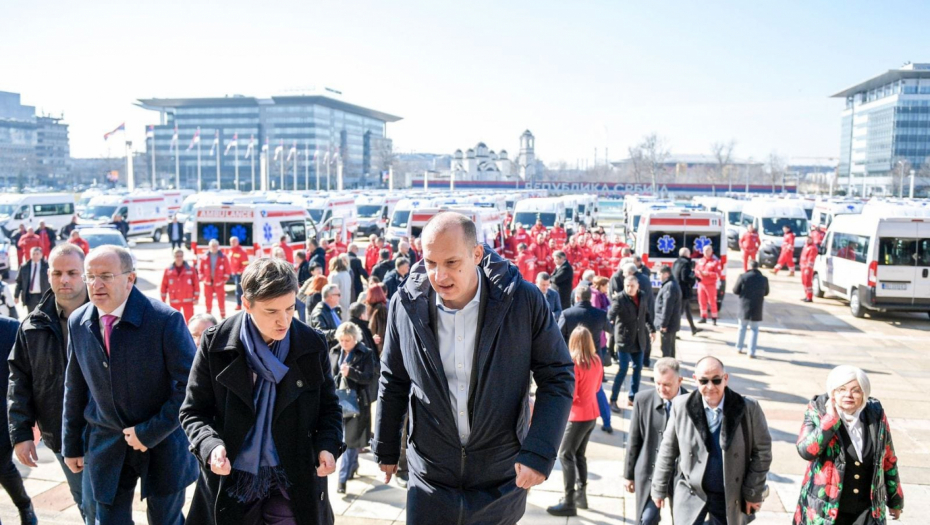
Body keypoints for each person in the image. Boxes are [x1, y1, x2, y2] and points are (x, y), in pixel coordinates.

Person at [373, 212, 574, 524]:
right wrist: (385, 446)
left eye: (452, 263)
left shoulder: (523, 301)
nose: (439, 276)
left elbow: (558, 375)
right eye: (430, 263)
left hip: (500, 477)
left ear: (477, 254)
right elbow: (393, 378)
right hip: (430, 478)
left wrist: (539, 452)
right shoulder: (405, 304)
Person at [180, 257, 342, 525]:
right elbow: (193, 411)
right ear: (246, 304)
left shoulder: (312, 342)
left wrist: (328, 446)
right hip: (231, 479)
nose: (284, 321)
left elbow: (329, 408)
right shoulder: (215, 343)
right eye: (271, 312)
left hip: (294, 478)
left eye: (290, 308)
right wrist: (211, 446)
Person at [62, 246, 198, 524]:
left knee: (165, 520)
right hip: (107, 442)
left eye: (106, 276)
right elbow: (74, 386)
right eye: (90, 277)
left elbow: (192, 386)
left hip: (162, 443)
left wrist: (149, 432)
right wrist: (71, 444)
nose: (96, 284)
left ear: (130, 279)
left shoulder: (165, 320)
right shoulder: (79, 321)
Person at [9, 244, 88, 523]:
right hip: (61, 434)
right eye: (57, 273)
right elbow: (19, 380)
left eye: (72, 272)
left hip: (107, 433)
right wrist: (20, 434)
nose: (64, 279)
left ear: (85, 274)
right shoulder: (32, 325)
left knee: (107, 503)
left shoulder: (107, 316)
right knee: (85, 503)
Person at [651, 356, 772, 525]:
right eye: (703, 381)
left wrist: (753, 491)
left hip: (729, 494)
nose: (710, 387)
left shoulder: (747, 408)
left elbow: (762, 452)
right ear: (695, 380)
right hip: (691, 492)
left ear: (725, 379)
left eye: (716, 380)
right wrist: (658, 487)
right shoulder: (681, 406)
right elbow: (668, 449)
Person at [794, 366, 904, 525]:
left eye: (856, 390)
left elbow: (888, 459)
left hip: (867, 510)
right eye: (841, 389)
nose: (848, 395)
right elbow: (806, 451)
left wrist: (895, 500)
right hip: (827, 511)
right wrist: (829, 421)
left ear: (864, 393)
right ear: (832, 392)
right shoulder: (817, 410)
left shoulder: (875, 413)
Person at [546, 326, 603, 517]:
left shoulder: (574, 363)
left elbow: (572, 393)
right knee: (579, 455)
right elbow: (596, 387)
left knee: (565, 455)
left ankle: (569, 501)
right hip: (592, 414)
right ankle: (581, 495)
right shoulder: (596, 360)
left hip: (577, 416)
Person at [625, 358, 687, 525]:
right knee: (646, 519)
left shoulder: (692, 403)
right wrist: (628, 475)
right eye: (657, 383)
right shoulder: (642, 400)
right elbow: (634, 439)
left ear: (679, 381)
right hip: (649, 473)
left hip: (680, 477)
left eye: (666, 384)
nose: (661, 389)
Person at [331, 322, 375, 495]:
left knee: (348, 442)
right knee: (349, 440)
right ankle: (353, 466)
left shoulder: (365, 353)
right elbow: (328, 374)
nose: (344, 343)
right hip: (336, 400)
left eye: (347, 340)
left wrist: (352, 373)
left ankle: (342, 479)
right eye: (341, 340)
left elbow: (369, 377)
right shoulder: (335, 351)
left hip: (355, 402)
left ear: (355, 339)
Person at [608, 275, 654, 412]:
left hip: (639, 340)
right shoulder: (620, 299)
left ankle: (632, 397)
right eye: (627, 285)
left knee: (637, 369)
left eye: (632, 285)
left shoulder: (643, 296)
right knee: (622, 370)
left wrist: (652, 330)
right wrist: (609, 326)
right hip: (624, 340)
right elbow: (611, 315)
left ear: (637, 286)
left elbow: (646, 314)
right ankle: (613, 399)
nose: (629, 288)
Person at [732, 259, 769, 358]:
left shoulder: (743, 277)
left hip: (744, 306)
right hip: (757, 306)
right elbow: (766, 292)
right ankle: (751, 352)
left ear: (749, 266)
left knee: (742, 328)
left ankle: (739, 347)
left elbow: (735, 290)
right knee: (754, 329)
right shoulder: (763, 279)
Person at [160, 248, 200, 322]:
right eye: (177, 256)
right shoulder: (168, 270)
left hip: (188, 300)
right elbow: (163, 286)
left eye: (180, 256)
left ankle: (189, 333)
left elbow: (196, 284)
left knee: (190, 321)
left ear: (183, 256)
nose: (179, 258)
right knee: (175, 321)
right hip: (174, 300)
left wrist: (196, 298)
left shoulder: (190, 269)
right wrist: (163, 300)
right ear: (174, 257)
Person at [653, 265, 682, 359]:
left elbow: (667, 307)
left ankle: (668, 368)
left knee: (667, 348)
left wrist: (663, 324)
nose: (659, 276)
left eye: (660, 274)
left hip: (668, 324)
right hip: (671, 323)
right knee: (670, 347)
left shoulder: (669, 286)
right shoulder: (670, 284)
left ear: (666, 274)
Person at [672, 247, 701, 336]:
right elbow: (685, 277)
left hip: (677, 289)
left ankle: (693, 328)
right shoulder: (686, 263)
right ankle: (673, 332)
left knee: (688, 310)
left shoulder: (676, 262)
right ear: (687, 254)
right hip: (683, 291)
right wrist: (693, 279)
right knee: (679, 312)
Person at [200, 239, 231, 319]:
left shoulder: (223, 257)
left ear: (218, 246)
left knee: (221, 299)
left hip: (219, 283)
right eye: (212, 246)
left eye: (215, 246)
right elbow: (200, 270)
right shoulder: (204, 257)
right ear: (209, 247)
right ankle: (208, 316)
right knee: (208, 299)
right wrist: (203, 278)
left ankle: (223, 316)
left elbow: (227, 270)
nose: (214, 247)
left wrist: (223, 280)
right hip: (208, 282)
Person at [15, 247, 50, 313]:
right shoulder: (24, 267)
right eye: (33, 254)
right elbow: (19, 282)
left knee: (43, 315)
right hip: (30, 297)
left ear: (41, 255)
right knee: (31, 315)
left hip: (43, 295)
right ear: (30, 255)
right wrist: (16, 296)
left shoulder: (47, 266)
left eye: (37, 254)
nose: (35, 256)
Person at [694, 245, 723, 326]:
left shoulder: (715, 262)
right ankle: (703, 317)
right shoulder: (700, 261)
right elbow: (696, 270)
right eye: (705, 251)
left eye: (708, 250)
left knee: (712, 302)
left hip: (710, 285)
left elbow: (718, 274)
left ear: (711, 251)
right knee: (701, 301)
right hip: (701, 284)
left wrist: (707, 274)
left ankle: (714, 318)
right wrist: (698, 273)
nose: (706, 252)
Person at [365, 283, 388, 356]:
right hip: (376, 348)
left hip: (376, 349)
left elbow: (382, 331)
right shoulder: (378, 308)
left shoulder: (380, 309)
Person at [327, 256, 352, 322]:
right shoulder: (347, 274)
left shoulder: (334, 275)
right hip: (346, 303)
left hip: (337, 304)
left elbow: (331, 291)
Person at [227, 236, 249, 311]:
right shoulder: (231, 250)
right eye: (231, 242)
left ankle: (240, 305)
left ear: (237, 242)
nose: (232, 243)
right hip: (234, 273)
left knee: (239, 290)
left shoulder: (241, 251)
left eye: (234, 242)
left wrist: (240, 271)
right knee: (237, 290)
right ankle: (239, 304)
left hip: (239, 274)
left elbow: (245, 264)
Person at [799, 236, 818, 303]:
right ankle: (806, 295)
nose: (807, 241)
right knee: (804, 282)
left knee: (808, 282)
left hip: (807, 269)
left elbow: (811, 260)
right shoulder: (805, 246)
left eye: (808, 240)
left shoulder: (812, 248)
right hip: (803, 267)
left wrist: (808, 269)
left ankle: (809, 297)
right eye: (806, 239)